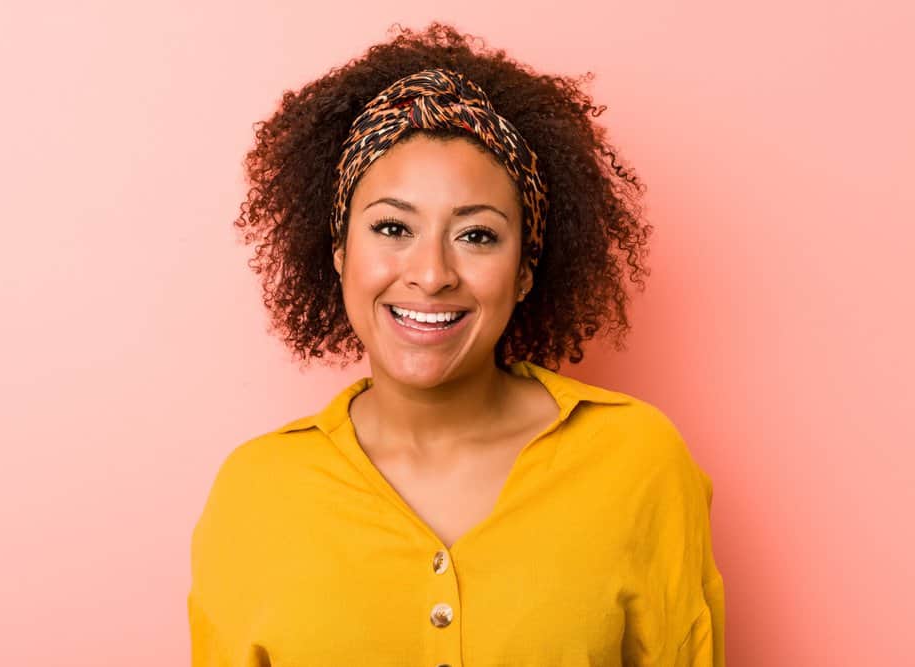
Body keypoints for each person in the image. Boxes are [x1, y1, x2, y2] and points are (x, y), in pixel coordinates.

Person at [188, 22, 725, 666]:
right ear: (338, 252)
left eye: (476, 236)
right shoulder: (256, 494)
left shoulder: (638, 462)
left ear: (525, 271)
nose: (432, 273)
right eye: (392, 227)